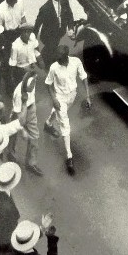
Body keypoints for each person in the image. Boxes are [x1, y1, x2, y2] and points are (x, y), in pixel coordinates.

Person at [43, 45, 89, 176]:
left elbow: (84, 77)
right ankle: (69, 157)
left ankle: (47, 124)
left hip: (72, 96)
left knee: (57, 113)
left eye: (59, 56)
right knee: (64, 124)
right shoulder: (54, 67)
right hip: (60, 98)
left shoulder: (75, 62)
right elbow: (48, 84)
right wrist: (54, 99)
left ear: (66, 56)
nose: (56, 58)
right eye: (56, 55)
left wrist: (88, 96)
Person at [33, 0, 74, 70]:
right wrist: (33, 42)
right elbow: (36, 26)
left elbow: (69, 15)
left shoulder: (64, 0)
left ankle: (44, 60)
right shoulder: (45, 9)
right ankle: (47, 67)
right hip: (48, 36)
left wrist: (70, 28)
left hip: (59, 33)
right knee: (51, 51)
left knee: (51, 50)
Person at [10, 69, 42, 175]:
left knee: (34, 136)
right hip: (20, 112)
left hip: (31, 109)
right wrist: (22, 129)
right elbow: (19, 117)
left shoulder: (31, 82)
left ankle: (31, 163)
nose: (34, 84)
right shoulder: (18, 94)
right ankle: (11, 152)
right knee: (13, 133)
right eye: (33, 82)